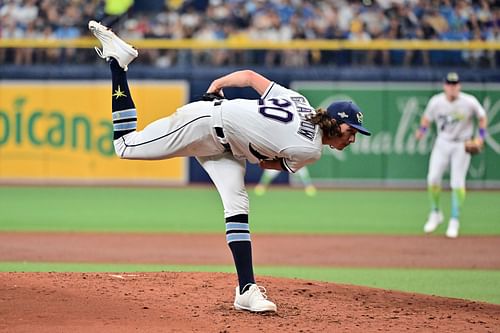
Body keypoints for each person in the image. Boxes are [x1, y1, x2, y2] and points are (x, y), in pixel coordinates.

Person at [88, 20, 372, 312]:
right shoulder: (311, 150)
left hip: (225, 145)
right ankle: (118, 64)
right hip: (204, 124)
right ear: (335, 124)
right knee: (125, 146)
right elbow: (267, 163)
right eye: (350, 131)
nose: (352, 138)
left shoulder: (299, 100)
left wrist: (218, 85)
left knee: (237, 206)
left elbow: (249, 76)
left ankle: (246, 289)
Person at [415, 72, 488, 239]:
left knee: (457, 182)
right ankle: (435, 213)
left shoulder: (469, 101)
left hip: (462, 144)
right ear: (444, 86)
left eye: (455, 84)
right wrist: (422, 131)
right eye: (449, 84)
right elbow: (426, 119)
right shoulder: (436, 102)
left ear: (459, 86)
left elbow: (482, 117)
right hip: (443, 142)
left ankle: (454, 220)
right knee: (433, 178)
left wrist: (480, 137)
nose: (452, 87)